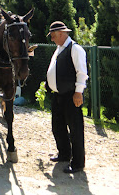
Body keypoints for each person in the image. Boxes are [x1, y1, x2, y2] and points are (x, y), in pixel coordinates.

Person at [46, 21, 88, 174]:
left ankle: (77, 163)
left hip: (71, 95)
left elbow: (81, 72)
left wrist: (78, 92)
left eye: (52, 36)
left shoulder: (75, 49)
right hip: (58, 95)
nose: (51, 39)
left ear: (61, 34)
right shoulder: (59, 49)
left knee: (75, 129)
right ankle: (64, 154)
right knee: (58, 127)